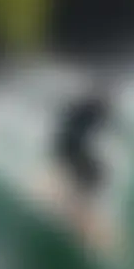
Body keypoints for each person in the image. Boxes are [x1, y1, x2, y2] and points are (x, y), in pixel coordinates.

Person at [50, 82, 114, 248]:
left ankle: (74, 205)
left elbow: (66, 123)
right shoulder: (94, 110)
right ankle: (75, 209)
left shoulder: (88, 108)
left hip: (66, 147)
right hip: (70, 147)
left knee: (96, 175)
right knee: (96, 175)